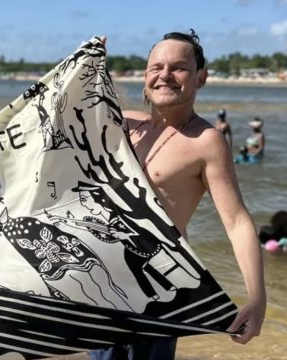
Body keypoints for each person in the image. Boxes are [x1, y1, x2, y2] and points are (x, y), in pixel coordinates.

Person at [90, 30, 266, 360]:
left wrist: (257, 298)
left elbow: (237, 221)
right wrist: (89, 63)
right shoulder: (124, 125)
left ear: (201, 77)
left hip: (156, 292)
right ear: (145, 76)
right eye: (156, 67)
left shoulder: (205, 141)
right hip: (101, 285)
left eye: (178, 67)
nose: (165, 75)